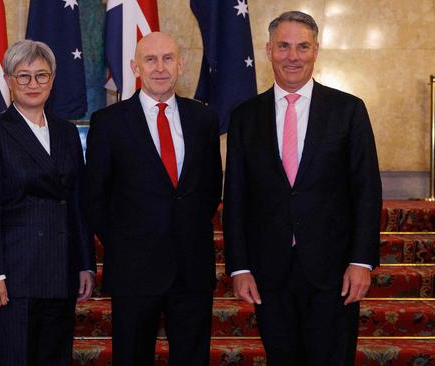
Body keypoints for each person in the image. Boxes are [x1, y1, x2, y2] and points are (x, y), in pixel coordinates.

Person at [223, 11, 382, 366]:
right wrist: (239, 267)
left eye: (302, 47)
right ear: (268, 50)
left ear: (316, 51)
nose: (292, 56)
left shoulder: (348, 110)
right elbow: (235, 197)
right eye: (283, 46)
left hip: (334, 272)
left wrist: (361, 260)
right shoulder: (244, 117)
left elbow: (366, 190)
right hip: (268, 272)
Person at [83, 32, 223, 365]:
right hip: (134, 270)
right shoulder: (109, 122)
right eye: (150, 59)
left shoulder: (203, 119)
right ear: (135, 66)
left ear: (181, 64)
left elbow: (209, 188)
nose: (160, 67)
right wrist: (125, 244)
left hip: (192, 268)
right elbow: (95, 196)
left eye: (168, 58)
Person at [0, 39, 96, 366]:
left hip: (62, 270)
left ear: (53, 80)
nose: (33, 84)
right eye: (23, 76)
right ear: (9, 81)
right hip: (13, 273)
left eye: (41, 75)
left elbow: (76, 203)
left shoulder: (67, 132)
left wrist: (85, 262)